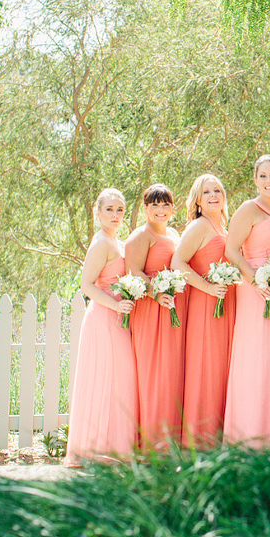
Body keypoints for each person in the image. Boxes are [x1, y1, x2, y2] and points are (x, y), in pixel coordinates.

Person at [223, 155, 270, 447]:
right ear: (255, 180)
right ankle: (247, 435)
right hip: (255, 290)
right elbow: (231, 250)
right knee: (254, 358)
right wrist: (254, 279)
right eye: (263, 176)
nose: (269, 181)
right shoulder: (247, 210)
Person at [65, 188, 139, 466]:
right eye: (109, 209)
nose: (116, 215)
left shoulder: (115, 241)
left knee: (119, 382)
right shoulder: (101, 244)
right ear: (97, 213)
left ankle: (114, 448)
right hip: (103, 318)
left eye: (120, 210)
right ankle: (96, 450)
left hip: (118, 317)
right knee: (104, 381)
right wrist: (115, 305)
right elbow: (86, 285)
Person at [172, 173, 236, 448]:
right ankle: (200, 437)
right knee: (206, 367)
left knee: (222, 367)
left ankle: (221, 431)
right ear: (198, 200)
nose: (213, 196)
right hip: (206, 304)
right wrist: (208, 289)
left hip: (227, 304)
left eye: (217, 191)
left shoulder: (224, 226)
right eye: (207, 192)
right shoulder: (198, 226)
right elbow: (178, 262)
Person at [124, 183, 187, 451]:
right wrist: (155, 293)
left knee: (171, 374)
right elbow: (133, 270)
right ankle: (152, 444)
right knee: (153, 375)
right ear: (146, 208)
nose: (160, 210)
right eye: (154, 205)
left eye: (165, 205)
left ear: (173, 208)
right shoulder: (141, 235)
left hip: (173, 308)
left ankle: (170, 441)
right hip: (151, 310)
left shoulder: (173, 233)